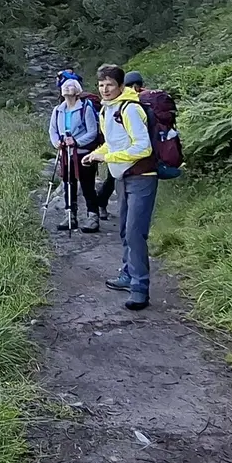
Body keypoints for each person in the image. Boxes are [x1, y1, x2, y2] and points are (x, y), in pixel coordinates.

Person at [87, 64, 156, 310]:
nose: (105, 89)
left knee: (136, 233)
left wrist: (107, 158)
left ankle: (140, 288)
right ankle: (128, 275)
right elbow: (113, 143)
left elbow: (143, 147)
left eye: (110, 85)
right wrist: (96, 153)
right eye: (101, 85)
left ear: (121, 86)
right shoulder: (107, 111)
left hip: (142, 176)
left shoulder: (130, 109)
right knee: (126, 231)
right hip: (123, 177)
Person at [46, 78, 103, 233]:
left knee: (87, 186)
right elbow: (53, 130)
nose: (67, 89)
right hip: (66, 154)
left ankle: (93, 217)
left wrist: (76, 141)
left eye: (71, 86)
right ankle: (70, 215)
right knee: (68, 185)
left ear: (77, 91)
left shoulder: (86, 109)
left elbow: (92, 132)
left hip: (83, 154)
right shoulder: (58, 110)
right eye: (65, 87)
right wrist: (57, 142)